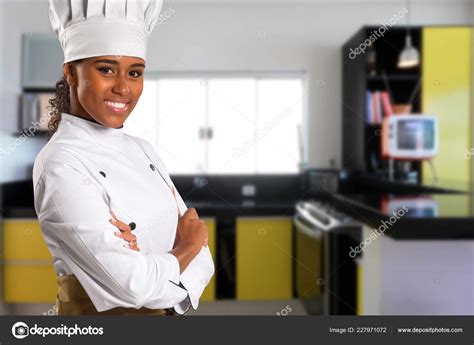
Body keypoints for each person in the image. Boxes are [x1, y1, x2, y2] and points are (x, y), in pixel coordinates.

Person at [33, 0, 215, 316]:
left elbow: (204, 262)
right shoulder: (61, 164)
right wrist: (184, 247)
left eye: (135, 72)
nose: (123, 87)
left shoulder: (144, 149)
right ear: (71, 73)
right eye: (106, 69)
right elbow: (133, 285)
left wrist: (147, 262)